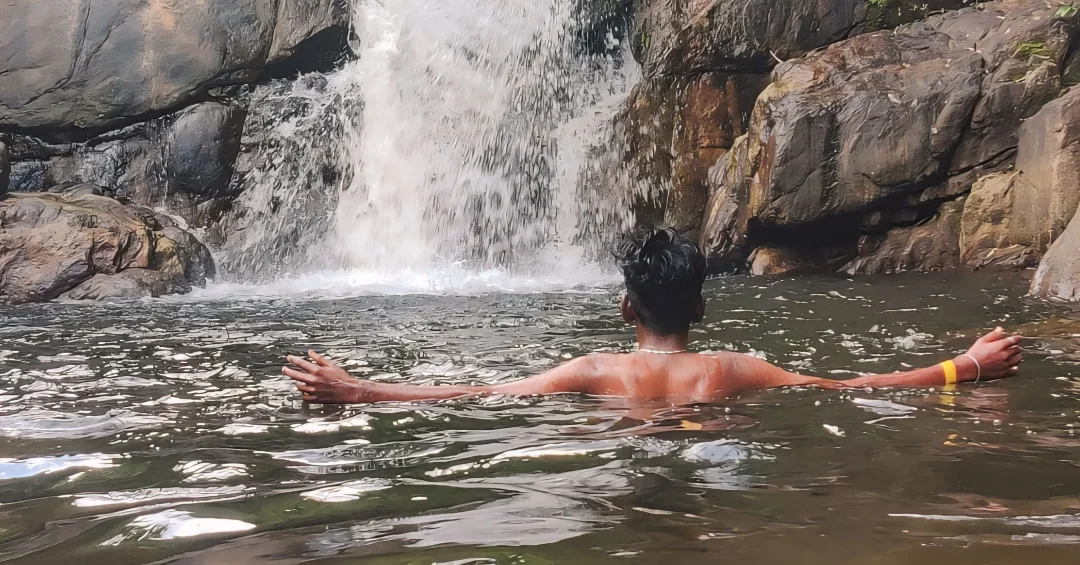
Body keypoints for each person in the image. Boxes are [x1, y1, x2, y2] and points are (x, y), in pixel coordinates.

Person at [283, 228, 1023, 404]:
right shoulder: (735, 370)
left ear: (624, 306)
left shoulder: (594, 371)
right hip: (715, 463)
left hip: (621, 457)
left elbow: (477, 394)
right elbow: (854, 387)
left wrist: (358, 389)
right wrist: (965, 365)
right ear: (700, 306)